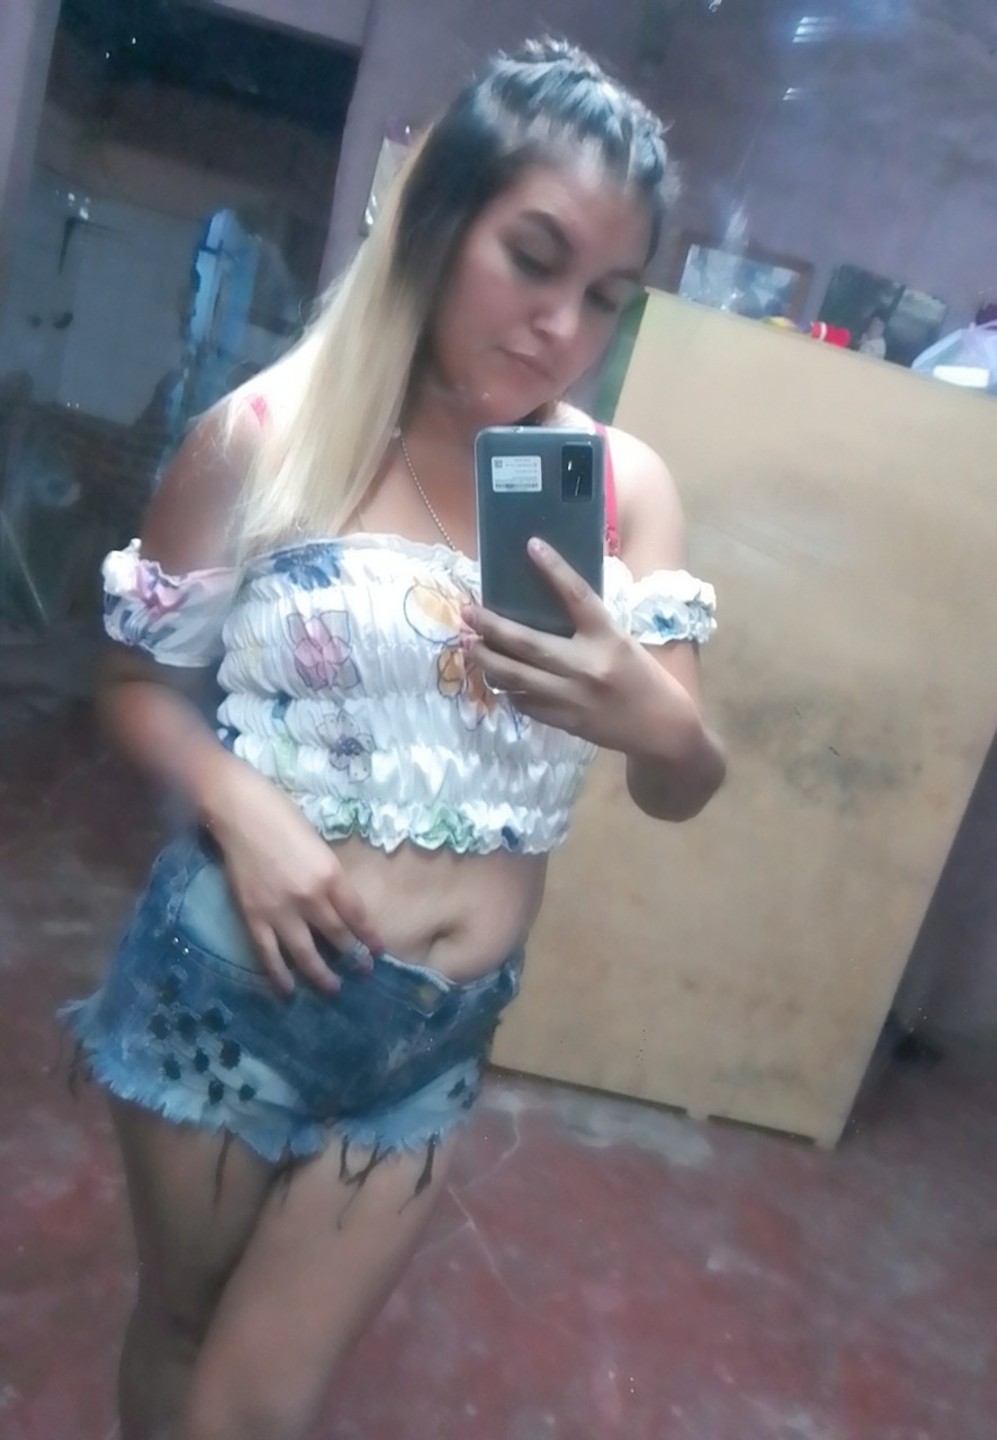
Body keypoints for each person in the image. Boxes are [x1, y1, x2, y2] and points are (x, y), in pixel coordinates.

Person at [61, 38, 725, 1440]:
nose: (561, 326)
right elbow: (129, 682)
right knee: (181, 1336)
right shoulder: (265, 437)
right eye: (532, 259)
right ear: (437, 220)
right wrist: (238, 804)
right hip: (232, 989)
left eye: (607, 296)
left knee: (256, 1408)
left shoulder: (620, 491)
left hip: (437, 1039)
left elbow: (683, 788)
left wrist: (652, 717)